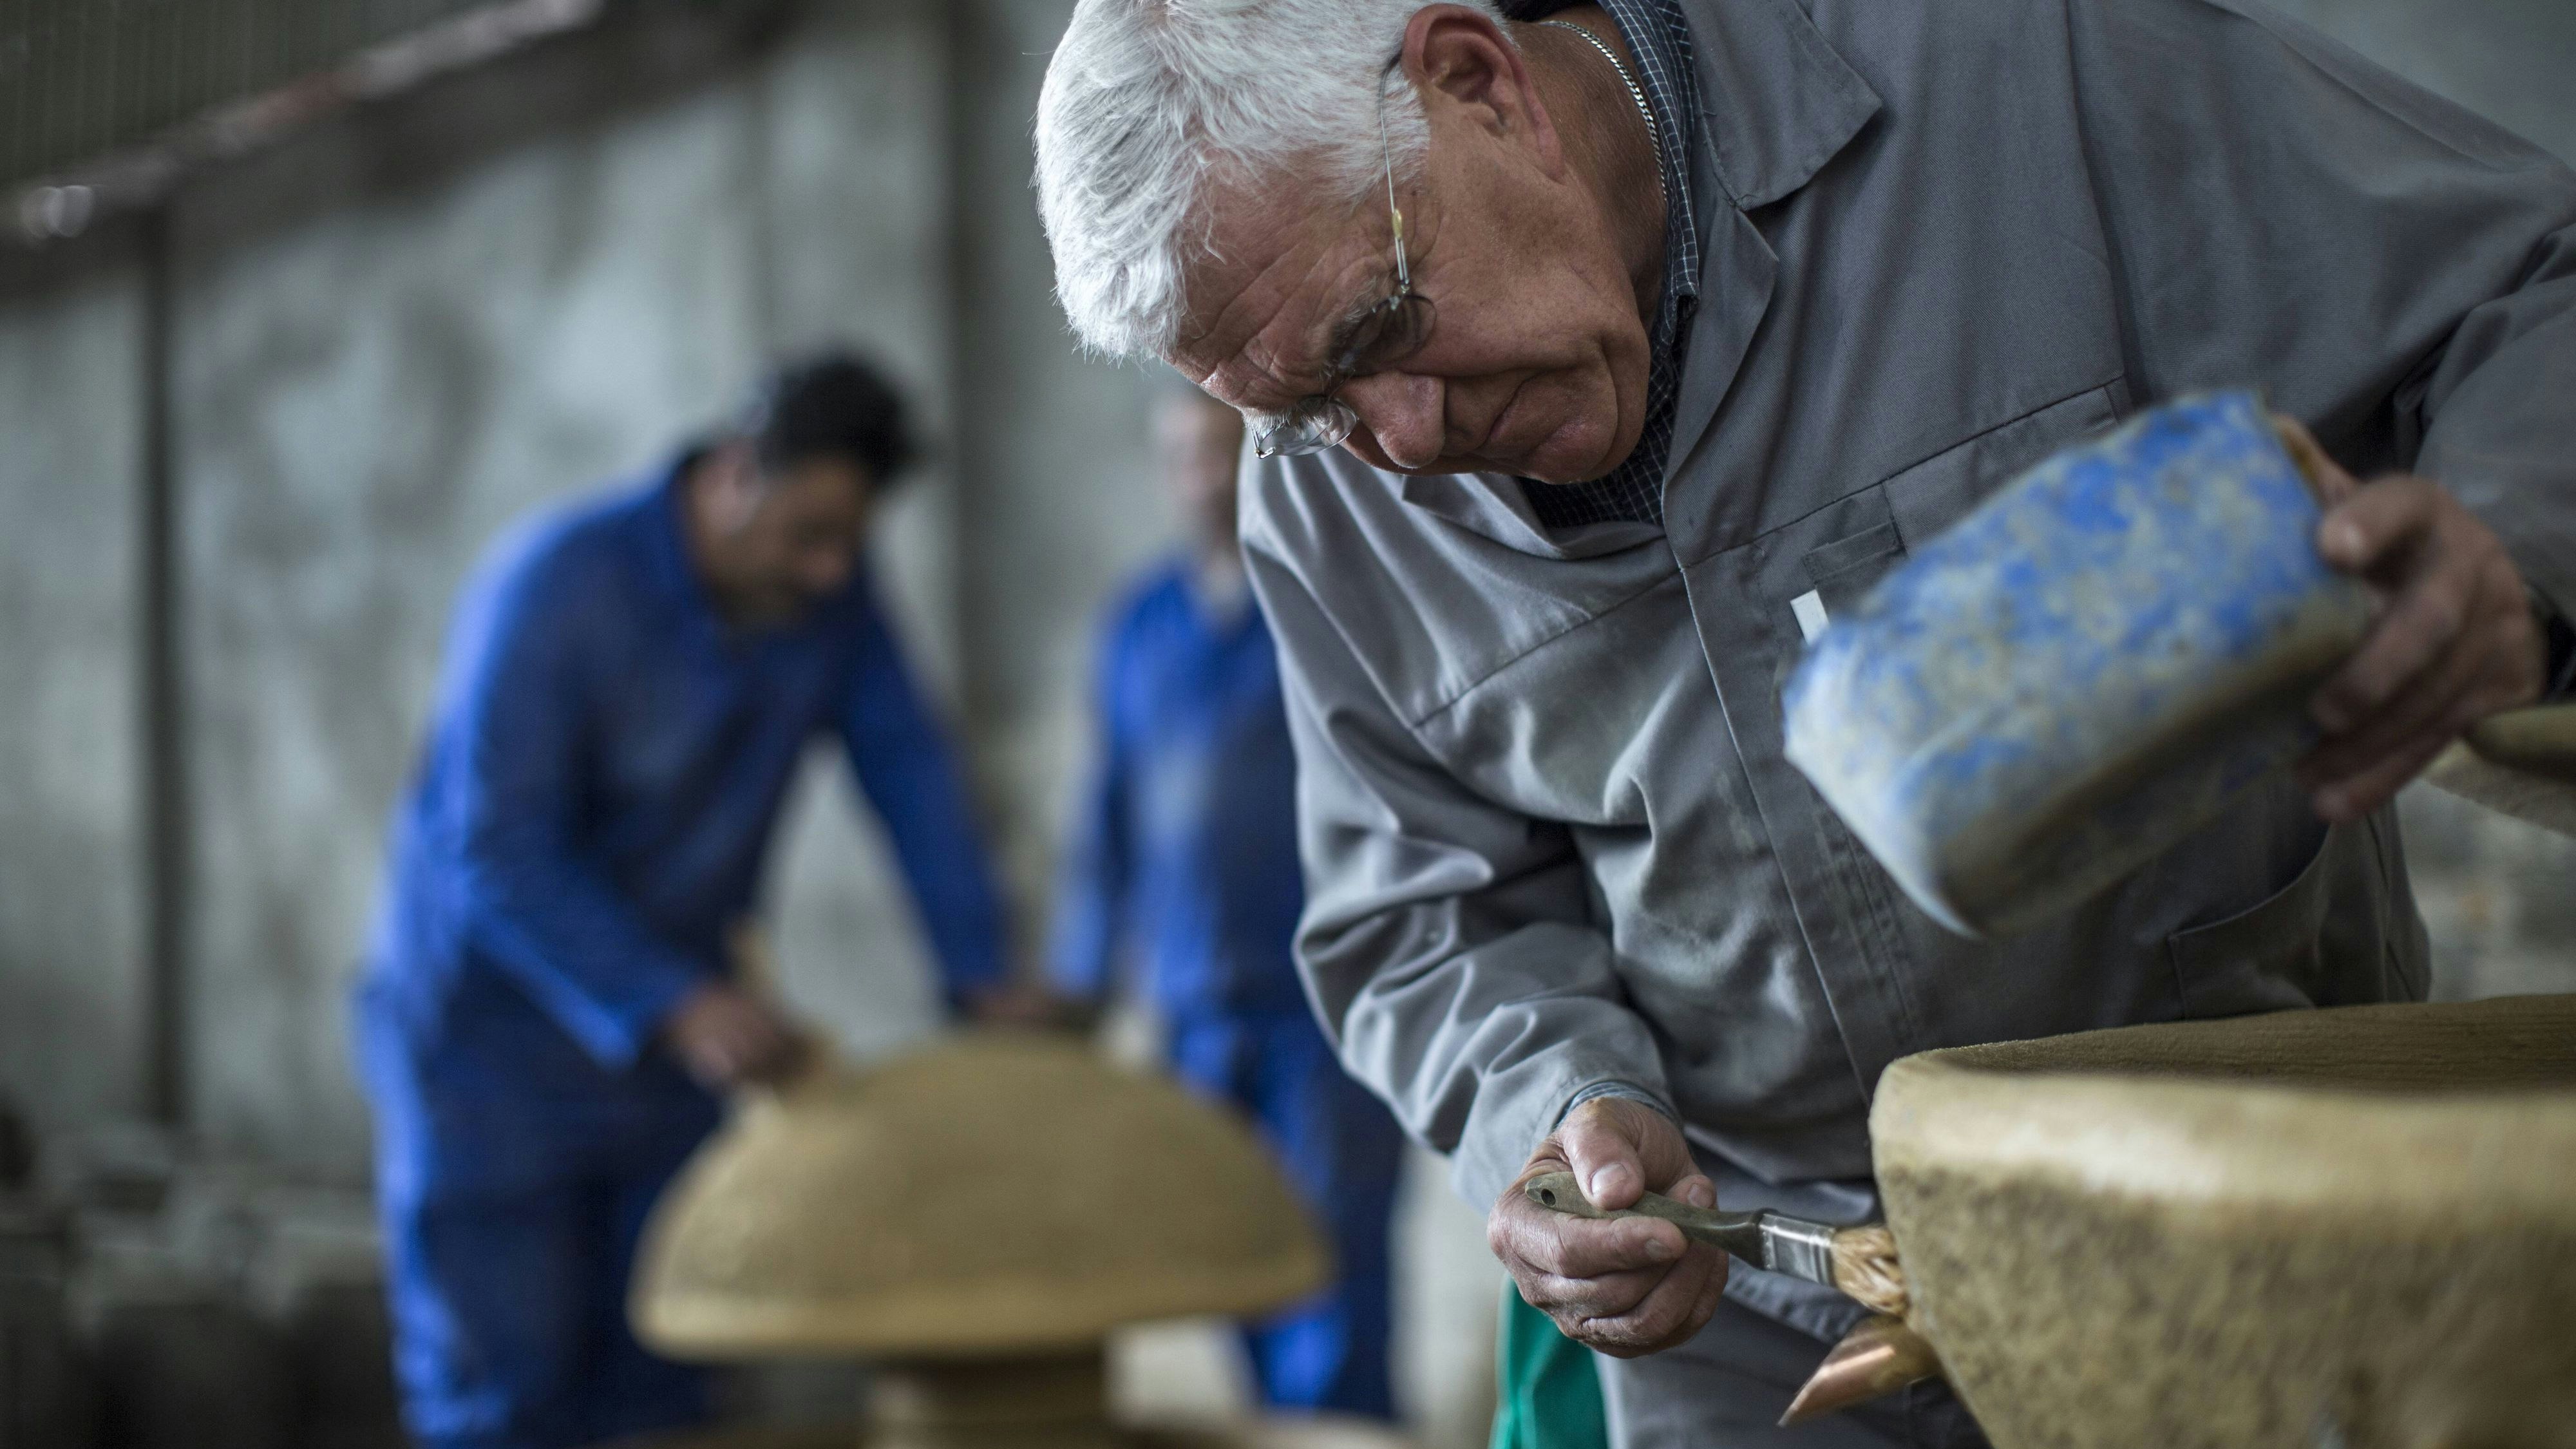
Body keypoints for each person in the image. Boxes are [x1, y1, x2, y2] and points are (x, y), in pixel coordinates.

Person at [1032, 1, 2576, 1443]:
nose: (1407, 443)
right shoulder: (1327, 507)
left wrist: (2510, 540)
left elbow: (2530, 296)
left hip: (2239, 1237)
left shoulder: (2018, 83)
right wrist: (1564, 1105)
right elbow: (1419, 913)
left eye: (1379, 327)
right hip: (1764, 1335)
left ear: (1476, 83)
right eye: (1307, 412)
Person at [353, 354, 1014, 1449]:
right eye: (807, 531)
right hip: (487, 1056)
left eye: (850, 540)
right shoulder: (559, 587)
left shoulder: (832, 599)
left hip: (666, 1065)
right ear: (731, 473)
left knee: (665, 1387)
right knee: (505, 1394)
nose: (827, 567)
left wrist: (981, 975)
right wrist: (676, 1001)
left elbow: (914, 778)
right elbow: (496, 844)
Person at [1049, 384, 1409, 1419]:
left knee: (1334, 1262)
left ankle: (1342, 1433)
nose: (1206, 479)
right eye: (1185, 458)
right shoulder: (1139, 625)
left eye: (1224, 451)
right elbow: (1107, 819)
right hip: (1192, 1006)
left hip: (1326, 1002)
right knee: (1225, 1255)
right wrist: (1082, 982)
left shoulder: (1329, 598)